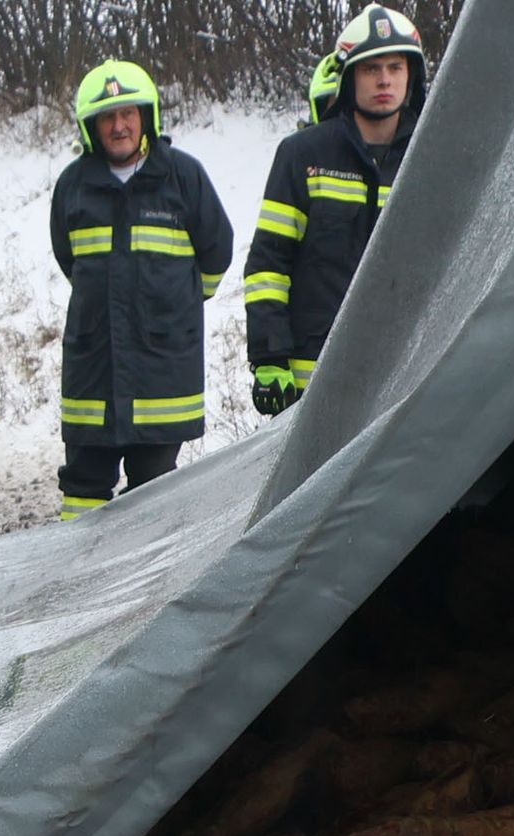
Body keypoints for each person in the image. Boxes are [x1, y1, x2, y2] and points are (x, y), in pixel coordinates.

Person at [47, 60, 231, 515]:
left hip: (160, 374)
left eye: (128, 113)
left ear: (146, 117)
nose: (119, 125)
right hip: (94, 369)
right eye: (108, 117)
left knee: (153, 497)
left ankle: (145, 587)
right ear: (92, 127)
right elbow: (69, 259)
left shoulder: (183, 177)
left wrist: (177, 304)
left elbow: (217, 253)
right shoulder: (73, 185)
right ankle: (75, 582)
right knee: (82, 490)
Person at [245, 5, 427, 417]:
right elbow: (268, 265)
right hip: (313, 377)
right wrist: (271, 357)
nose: (384, 80)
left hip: (407, 375)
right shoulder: (302, 154)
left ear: (412, 75)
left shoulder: (433, 155)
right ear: (348, 78)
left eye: (396, 67)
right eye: (371, 69)